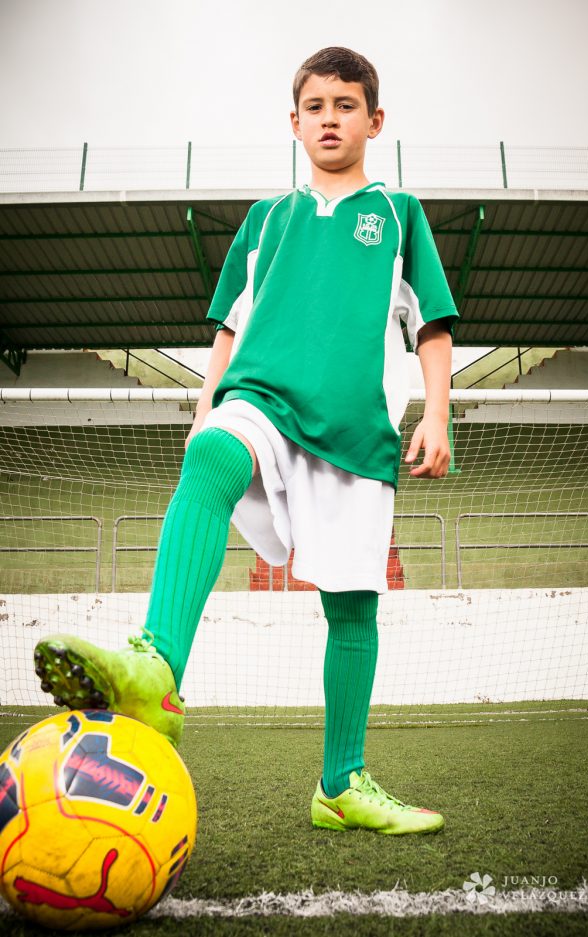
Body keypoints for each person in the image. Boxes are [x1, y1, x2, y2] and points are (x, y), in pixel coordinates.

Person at [34, 47, 459, 835]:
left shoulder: (398, 213)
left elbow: (430, 322)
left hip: (357, 431)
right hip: (259, 396)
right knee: (211, 455)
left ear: (375, 119)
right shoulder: (266, 219)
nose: (329, 117)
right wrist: (204, 408)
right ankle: (156, 667)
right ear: (293, 122)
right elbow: (230, 328)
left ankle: (340, 783)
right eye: (315, 106)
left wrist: (435, 412)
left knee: (351, 607)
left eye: (345, 104)